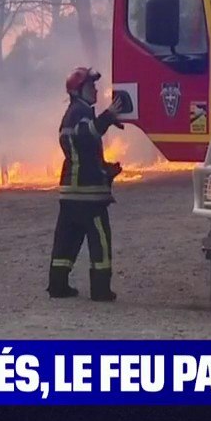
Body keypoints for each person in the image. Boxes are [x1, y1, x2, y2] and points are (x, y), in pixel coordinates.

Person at [48, 66, 126, 301]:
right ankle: (101, 290)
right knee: (100, 242)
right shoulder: (79, 112)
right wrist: (107, 117)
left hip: (71, 192)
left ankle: (58, 286)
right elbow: (85, 135)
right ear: (77, 91)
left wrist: (106, 170)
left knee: (66, 240)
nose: (95, 90)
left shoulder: (75, 112)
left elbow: (83, 153)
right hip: (88, 195)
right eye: (91, 86)